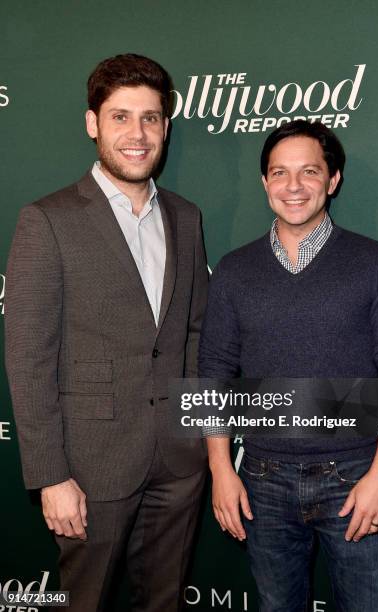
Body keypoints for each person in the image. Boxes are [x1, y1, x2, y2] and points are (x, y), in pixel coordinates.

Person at [5, 53, 208, 612]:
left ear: (166, 126)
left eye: (151, 117)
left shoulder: (187, 218)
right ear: (93, 123)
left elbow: (191, 335)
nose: (137, 134)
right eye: (120, 117)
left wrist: (197, 440)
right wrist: (51, 476)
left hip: (178, 462)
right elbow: (28, 358)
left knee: (163, 602)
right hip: (90, 467)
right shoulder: (47, 220)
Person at [199, 120, 378, 611]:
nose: (293, 186)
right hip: (260, 476)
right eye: (279, 172)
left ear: (333, 179)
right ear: (264, 183)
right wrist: (220, 468)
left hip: (355, 475)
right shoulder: (234, 270)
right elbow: (213, 369)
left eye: (309, 172)